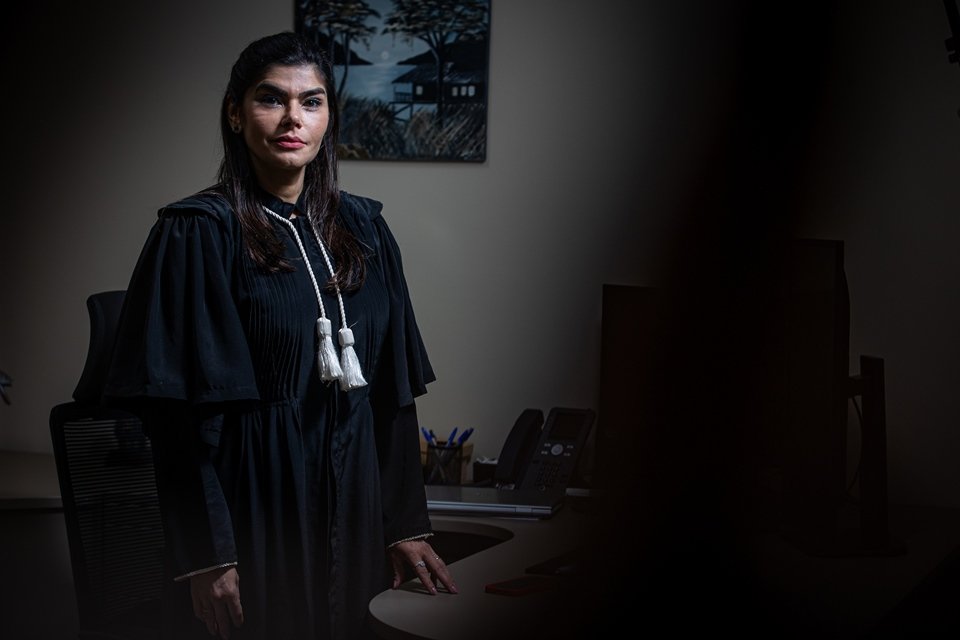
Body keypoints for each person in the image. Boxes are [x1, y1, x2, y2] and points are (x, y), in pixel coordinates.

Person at [104, 31, 456, 640]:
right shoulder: (196, 233)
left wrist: (404, 524)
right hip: (252, 508)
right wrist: (207, 555)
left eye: (312, 101)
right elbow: (174, 417)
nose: (293, 117)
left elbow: (391, 395)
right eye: (272, 99)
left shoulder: (366, 229)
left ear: (328, 119)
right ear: (237, 114)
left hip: (353, 500)